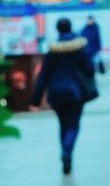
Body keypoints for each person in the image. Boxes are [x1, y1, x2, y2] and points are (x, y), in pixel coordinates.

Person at [30, 17, 95, 174]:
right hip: (75, 94)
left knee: (63, 125)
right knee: (73, 125)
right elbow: (90, 70)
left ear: (58, 30)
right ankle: (67, 153)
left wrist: (35, 100)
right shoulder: (80, 48)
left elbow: (43, 77)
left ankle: (65, 153)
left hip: (56, 94)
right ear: (70, 27)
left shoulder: (52, 51)